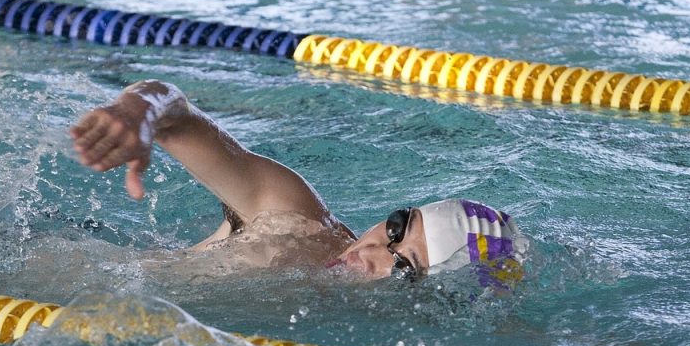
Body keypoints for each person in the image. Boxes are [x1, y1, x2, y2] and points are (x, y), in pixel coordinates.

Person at [70, 80, 525, 284]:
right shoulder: (292, 220)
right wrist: (138, 113)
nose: (368, 254)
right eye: (395, 229)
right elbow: (177, 115)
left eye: (404, 267)